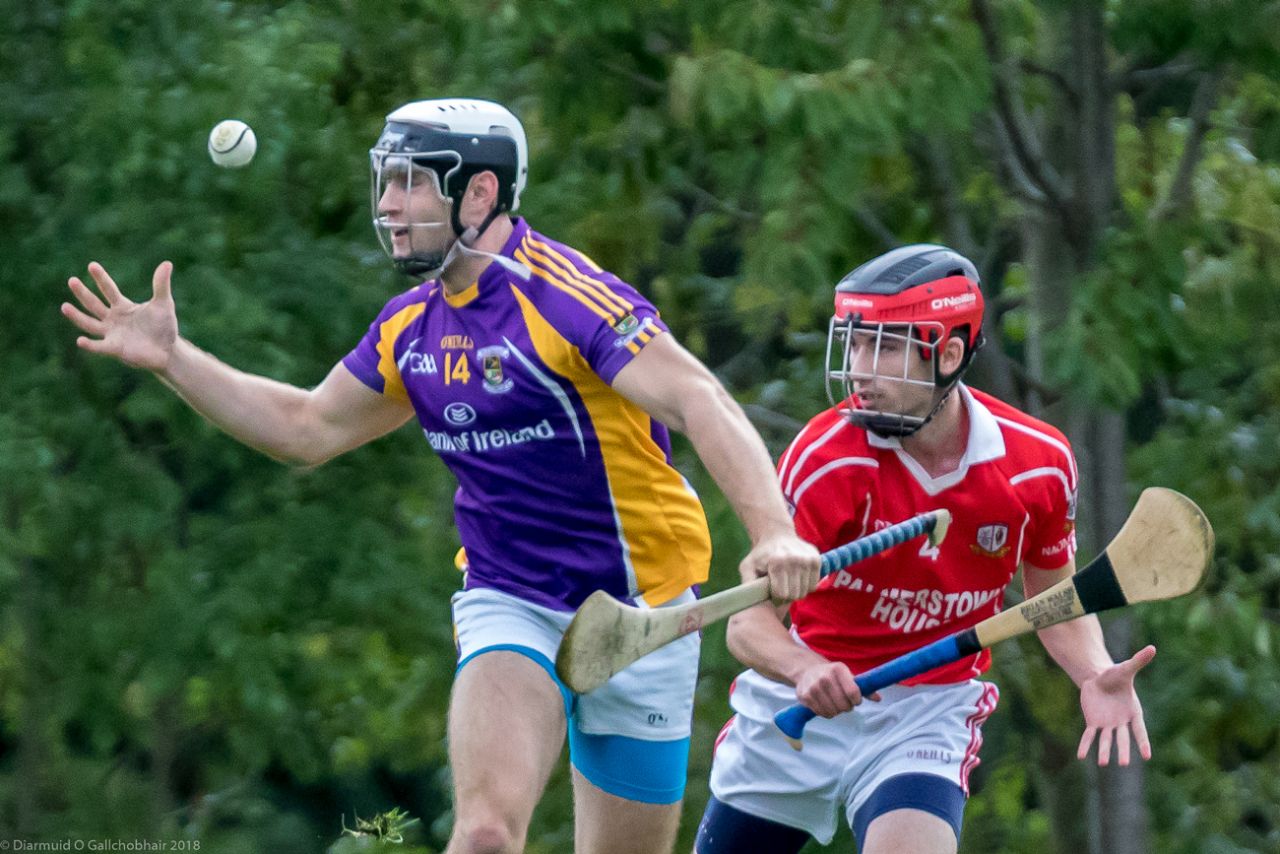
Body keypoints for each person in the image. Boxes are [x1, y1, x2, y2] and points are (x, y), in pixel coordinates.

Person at [60, 98, 821, 854]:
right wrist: (172, 360)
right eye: (384, 182)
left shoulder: (564, 296)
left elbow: (699, 397)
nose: (388, 205)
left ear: (480, 194)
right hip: (510, 600)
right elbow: (305, 429)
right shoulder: (410, 328)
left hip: (644, 616)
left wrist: (773, 532)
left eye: (410, 183)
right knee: (485, 834)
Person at [693, 244, 1156, 854]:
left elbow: (1052, 598)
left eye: (883, 346)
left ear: (950, 353)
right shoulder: (825, 460)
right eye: (854, 342)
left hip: (926, 712)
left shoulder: (1036, 467)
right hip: (795, 711)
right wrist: (805, 670)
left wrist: (1093, 672)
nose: (860, 367)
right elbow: (747, 624)